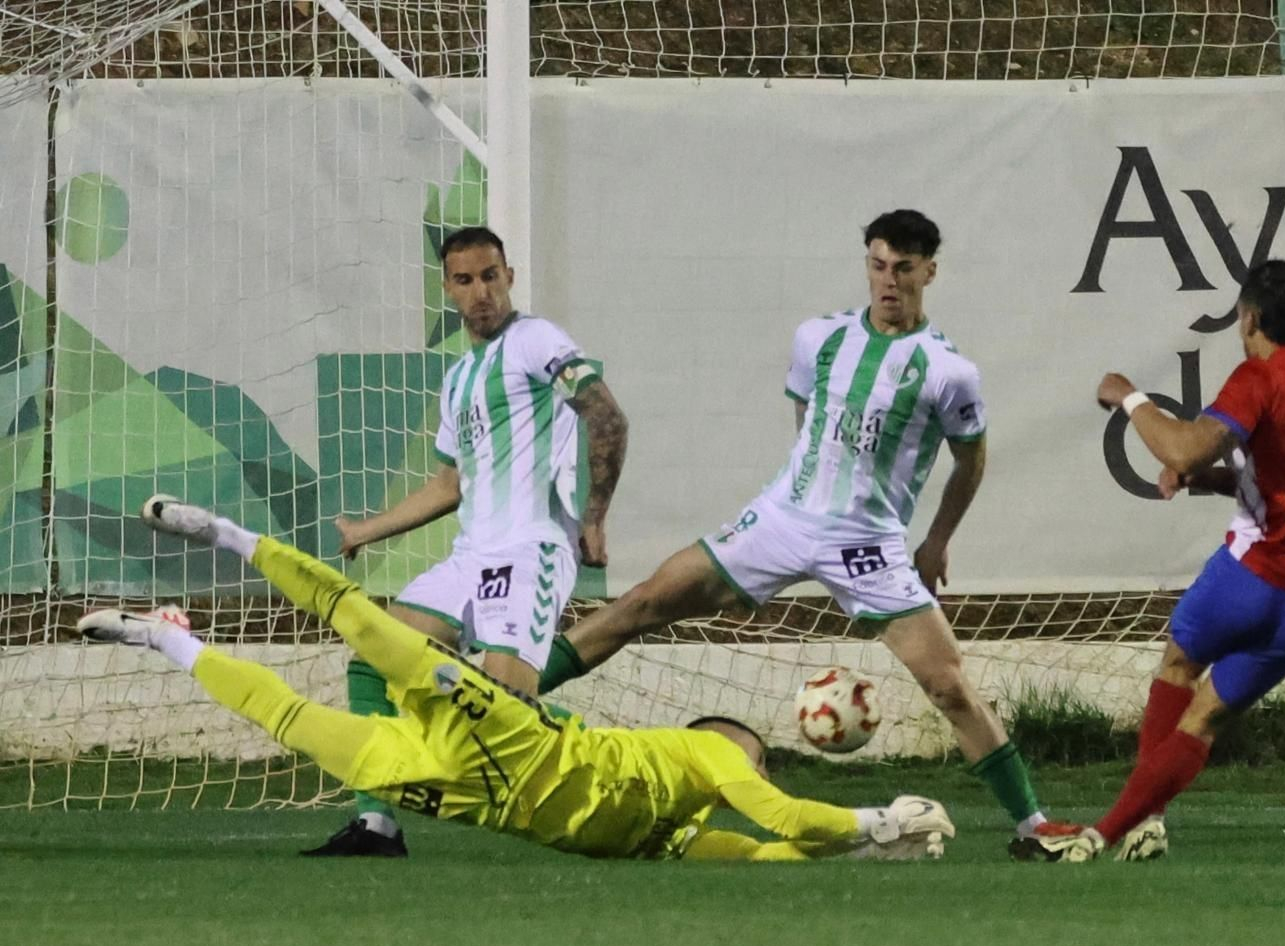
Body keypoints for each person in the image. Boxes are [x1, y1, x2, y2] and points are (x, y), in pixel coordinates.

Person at [533, 209, 1064, 852]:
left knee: (948, 683)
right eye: (877, 265)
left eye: (902, 269)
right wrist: (800, 490)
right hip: (784, 519)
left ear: (929, 271)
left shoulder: (949, 372)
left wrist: (935, 541)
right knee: (644, 602)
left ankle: (1033, 828)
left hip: (868, 543)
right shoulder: (818, 338)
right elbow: (805, 416)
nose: (887, 281)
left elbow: (971, 460)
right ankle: (506, 695)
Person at [76, 496, 953, 863]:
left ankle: (168, 643)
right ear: (725, 740)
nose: (753, 768)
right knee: (363, 622)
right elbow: (781, 816)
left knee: (294, 725)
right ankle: (227, 535)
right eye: (754, 755)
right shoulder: (700, 757)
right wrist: (876, 819)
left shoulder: (668, 837)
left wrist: (881, 847)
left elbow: (769, 853)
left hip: (472, 793)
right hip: (507, 729)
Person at [1019, 260, 1285, 863]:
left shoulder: (1263, 376)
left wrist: (1128, 397)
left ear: (1250, 316)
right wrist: (1207, 480)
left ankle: (1146, 817)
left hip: (1255, 578)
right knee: (1204, 718)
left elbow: (1181, 443)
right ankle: (1106, 835)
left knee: (1179, 663)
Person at [311, 225, 630, 856]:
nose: (481, 291)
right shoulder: (458, 379)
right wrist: (367, 531)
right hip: (470, 556)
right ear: (447, 289)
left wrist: (593, 518)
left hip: (531, 549)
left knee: (507, 715)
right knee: (375, 657)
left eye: (491, 276)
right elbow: (450, 483)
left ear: (509, 276)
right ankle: (377, 825)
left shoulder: (537, 341)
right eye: (465, 280)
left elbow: (606, 414)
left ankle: (629, 780)